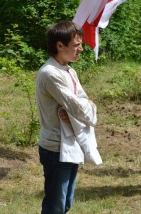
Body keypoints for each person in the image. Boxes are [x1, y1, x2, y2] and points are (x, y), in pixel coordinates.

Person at [36, 20, 99, 214]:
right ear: (60, 45)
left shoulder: (69, 70)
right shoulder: (50, 73)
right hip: (56, 148)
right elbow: (76, 107)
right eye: (76, 45)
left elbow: (84, 103)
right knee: (55, 206)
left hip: (71, 144)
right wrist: (85, 111)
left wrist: (87, 109)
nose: (81, 49)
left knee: (66, 203)